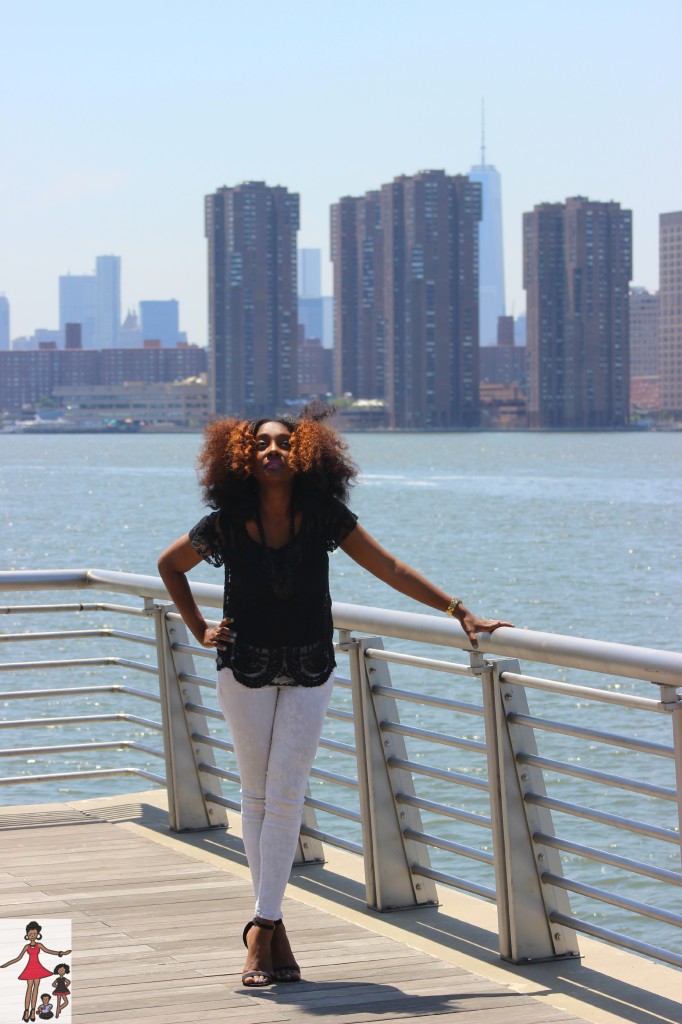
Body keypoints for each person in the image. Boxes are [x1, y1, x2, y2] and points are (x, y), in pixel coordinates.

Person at [157, 402, 512, 987]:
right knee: (256, 795)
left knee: (286, 792)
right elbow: (171, 566)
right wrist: (198, 627)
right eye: (262, 444)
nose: (273, 451)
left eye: (283, 445)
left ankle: (261, 927)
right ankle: (270, 926)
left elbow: (390, 567)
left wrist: (458, 611)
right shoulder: (227, 519)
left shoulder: (323, 516)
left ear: (303, 457)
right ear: (245, 456)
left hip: (310, 665)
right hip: (241, 665)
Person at [0, 921, 71, 1022]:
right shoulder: (26, 947)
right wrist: (6, 964)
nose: (32, 936)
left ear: (38, 934)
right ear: (27, 935)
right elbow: (18, 958)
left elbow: (49, 951)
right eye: (30, 934)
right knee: (29, 989)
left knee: (36, 989)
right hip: (29, 968)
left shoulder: (39, 945)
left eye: (34, 934)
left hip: (37, 968)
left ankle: (33, 1011)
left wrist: (61, 953)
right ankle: (26, 1011)